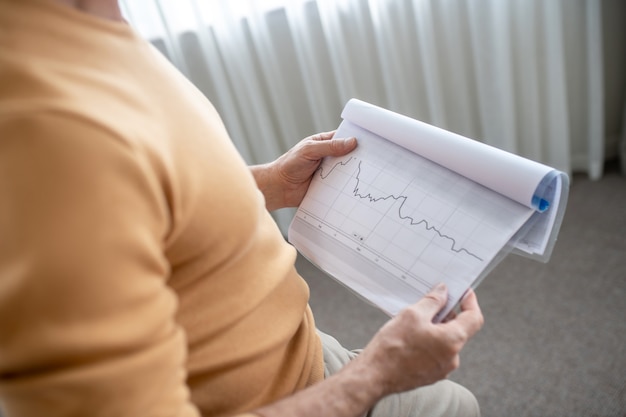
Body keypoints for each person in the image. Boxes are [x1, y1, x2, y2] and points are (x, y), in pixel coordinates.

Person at [0, 0, 484, 416]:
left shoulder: (91, 27)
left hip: (302, 350)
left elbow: (152, 199)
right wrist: (373, 377)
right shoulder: (45, 129)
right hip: (285, 398)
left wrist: (267, 183)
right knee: (457, 405)